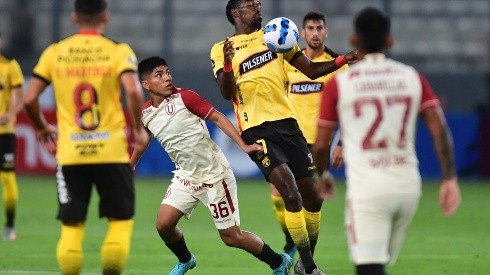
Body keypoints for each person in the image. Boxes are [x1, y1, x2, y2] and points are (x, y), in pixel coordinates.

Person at [210, 1, 357, 274]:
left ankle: (303, 262)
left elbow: (310, 70)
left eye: (257, 3)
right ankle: (310, 268)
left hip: (288, 125)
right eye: (250, 4)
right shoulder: (221, 49)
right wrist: (229, 65)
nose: (257, 6)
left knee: (313, 197)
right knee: (290, 193)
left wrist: (341, 60)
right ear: (235, 13)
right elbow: (225, 92)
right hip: (256, 129)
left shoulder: (274, 34)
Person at [313, 7, 461, 275]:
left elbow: (321, 144)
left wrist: (322, 175)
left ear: (354, 40)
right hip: (408, 189)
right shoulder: (411, 77)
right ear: (389, 41)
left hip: (368, 191)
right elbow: (439, 128)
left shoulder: (341, 83)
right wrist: (449, 178)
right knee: (379, 262)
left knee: (369, 267)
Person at [131, 56, 292, 275]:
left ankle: (278, 262)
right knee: (163, 225)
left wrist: (243, 145)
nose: (167, 78)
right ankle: (186, 260)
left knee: (231, 237)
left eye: (168, 72)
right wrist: (131, 164)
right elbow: (143, 139)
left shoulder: (185, 98)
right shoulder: (146, 113)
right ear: (146, 84)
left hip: (214, 175)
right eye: (159, 75)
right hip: (186, 177)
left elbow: (217, 118)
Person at [23, 0, 148, 274]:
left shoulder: (55, 52)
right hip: (112, 151)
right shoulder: (117, 51)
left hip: (71, 154)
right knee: (119, 221)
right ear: (105, 16)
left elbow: (29, 97)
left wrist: (42, 127)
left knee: (72, 226)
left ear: (74, 17)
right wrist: (138, 130)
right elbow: (135, 91)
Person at [275, 11, 347, 262]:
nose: (315, 33)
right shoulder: (288, 63)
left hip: (318, 144)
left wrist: (341, 143)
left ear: (326, 32)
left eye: (319, 28)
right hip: (288, 139)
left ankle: (304, 255)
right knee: (279, 197)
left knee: (312, 201)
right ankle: (292, 241)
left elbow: (346, 106)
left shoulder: (337, 64)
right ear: (302, 33)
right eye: (310, 28)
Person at [0, 32, 25, 241]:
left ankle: (9, 225)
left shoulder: (9, 66)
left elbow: (21, 99)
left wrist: (10, 114)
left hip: (4, 133)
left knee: (7, 179)